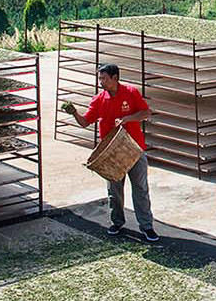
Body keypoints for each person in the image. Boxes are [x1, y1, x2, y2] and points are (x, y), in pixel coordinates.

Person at [65, 63, 158, 241]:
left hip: (135, 149)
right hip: (111, 152)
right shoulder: (99, 100)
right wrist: (74, 113)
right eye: (100, 78)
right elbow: (85, 122)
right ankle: (117, 222)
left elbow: (146, 113)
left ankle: (147, 226)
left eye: (104, 79)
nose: (101, 82)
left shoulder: (131, 93)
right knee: (114, 190)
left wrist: (127, 119)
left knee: (140, 189)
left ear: (115, 78)